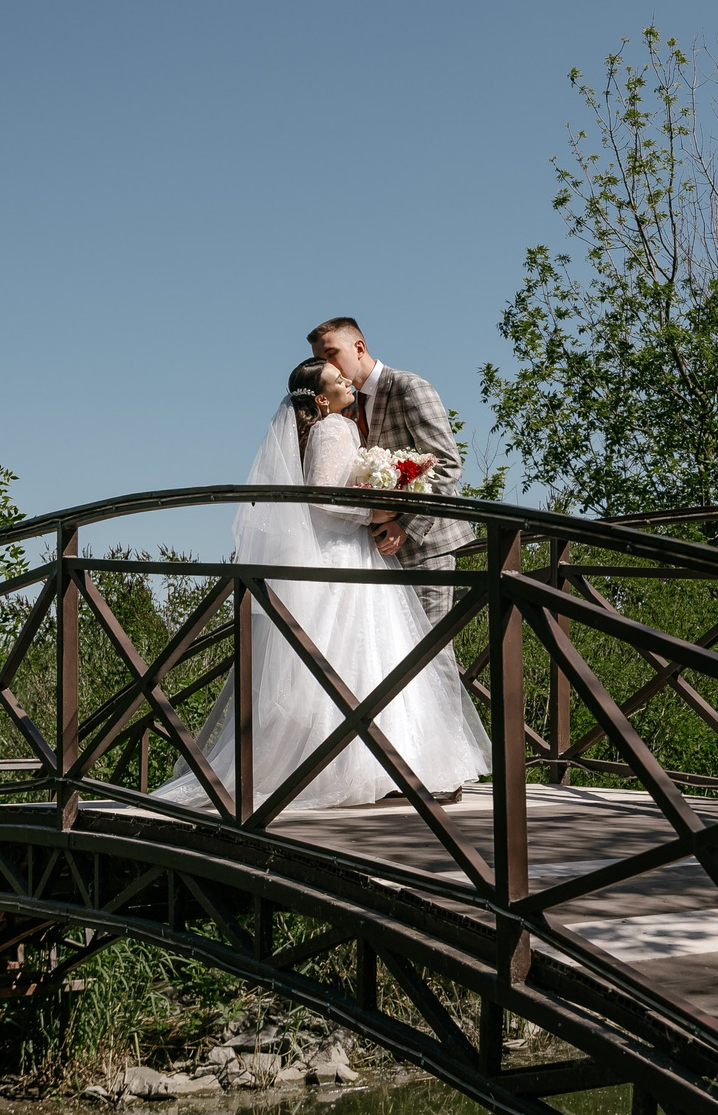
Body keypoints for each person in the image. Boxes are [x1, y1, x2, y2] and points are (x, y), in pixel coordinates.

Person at [153, 357, 488, 812]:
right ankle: (381, 767)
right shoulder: (334, 429)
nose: (346, 381)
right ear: (321, 398)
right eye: (336, 381)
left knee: (362, 658)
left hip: (351, 553)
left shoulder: (334, 427)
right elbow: (325, 503)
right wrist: (377, 512)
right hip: (346, 555)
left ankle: (372, 765)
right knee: (366, 655)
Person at [307, 317, 476, 621]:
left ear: (359, 347)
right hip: (377, 555)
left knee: (431, 652)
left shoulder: (408, 387)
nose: (326, 365)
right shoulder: (345, 405)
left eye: (331, 354)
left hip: (426, 548)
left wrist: (405, 525)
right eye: (320, 360)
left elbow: (447, 464)